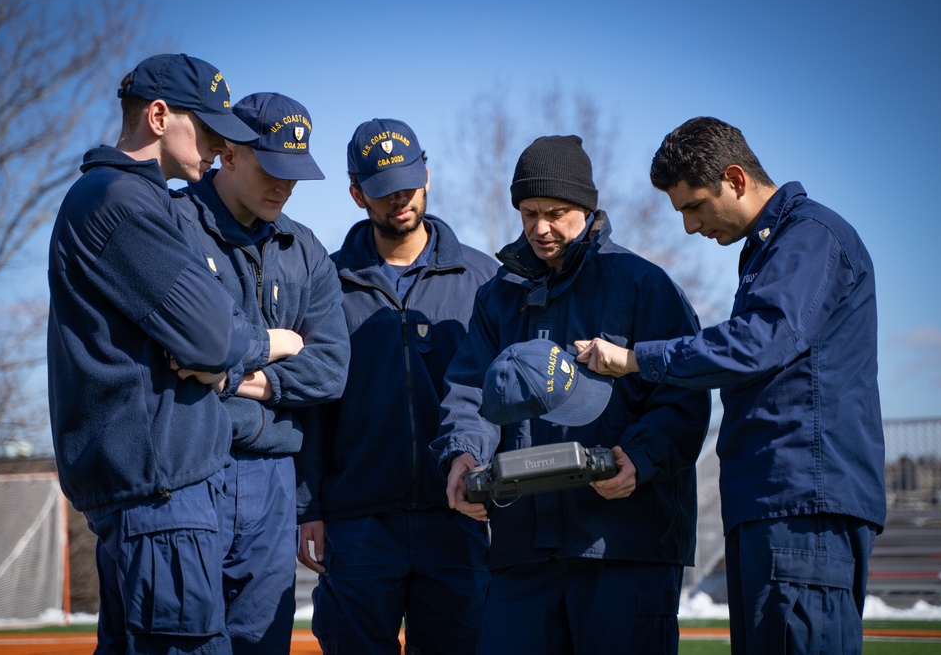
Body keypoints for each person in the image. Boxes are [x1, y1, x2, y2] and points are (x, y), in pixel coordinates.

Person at [574, 116, 886, 655]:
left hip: (802, 509)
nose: (690, 227)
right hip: (771, 505)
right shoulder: (770, 250)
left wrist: (633, 359)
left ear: (736, 179)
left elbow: (757, 342)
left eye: (694, 206)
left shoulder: (811, 237)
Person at [430, 134, 711, 655]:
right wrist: (462, 456)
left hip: (624, 548)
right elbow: (470, 392)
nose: (540, 227)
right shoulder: (498, 297)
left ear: (587, 206)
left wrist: (641, 459)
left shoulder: (644, 286)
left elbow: (683, 397)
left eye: (556, 212)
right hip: (522, 554)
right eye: (529, 212)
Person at [48, 53, 289, 654]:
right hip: (160, 501)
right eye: (207, 130)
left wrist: (217, 348)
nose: (218, 148)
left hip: (156, 499)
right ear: (159, 116)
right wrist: (271, 341)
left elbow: (208, 332)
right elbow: (212, 334)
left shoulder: (133, 199)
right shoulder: (117, 201)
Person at [296, 118, 497, 655]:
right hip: (357, 524)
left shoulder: (484, 279)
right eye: (384, 192)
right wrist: (307, 506)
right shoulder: (325, 283)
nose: (401, 201)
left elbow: (502, 399)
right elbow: (311, 408)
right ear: (357, 193)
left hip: (457, 519)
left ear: (427, 173)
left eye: (409, 185)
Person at [172, 92, 350, 654]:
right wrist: (274, 349)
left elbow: (331, 369)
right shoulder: (172, 225)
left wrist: (234, 377)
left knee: (261, 640)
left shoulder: (306, 249)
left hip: (272, 473)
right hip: (189, 465)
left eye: (295, 174)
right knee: (185, 638)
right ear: (228, 151)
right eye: (272, 168)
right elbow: (177, 354)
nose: (285, 186)